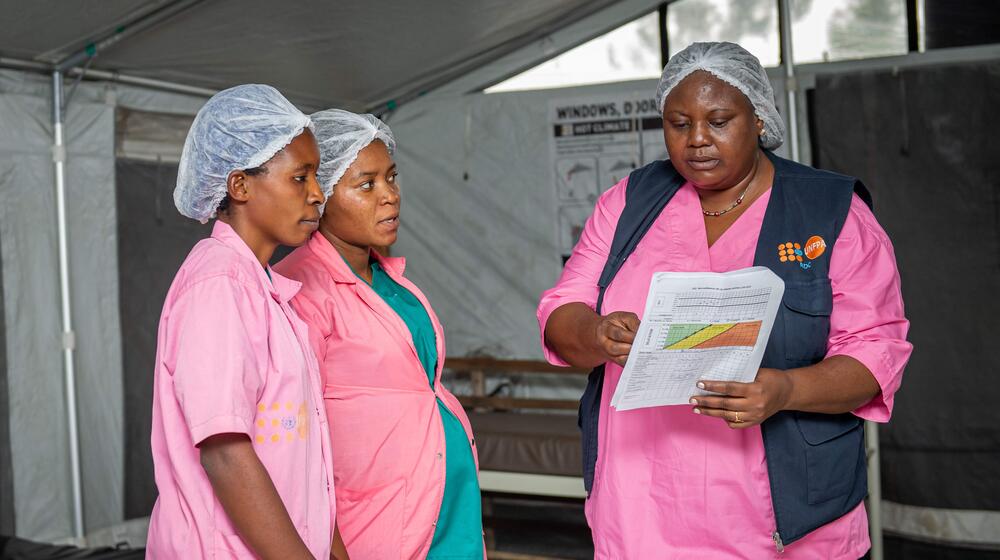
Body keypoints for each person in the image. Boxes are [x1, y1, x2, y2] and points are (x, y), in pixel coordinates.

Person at [538, 42, 912, 558]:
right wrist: (595, 333)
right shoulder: (628, 203)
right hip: (643, 505)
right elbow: (563, 309)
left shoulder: (830, 213)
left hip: (779, 518)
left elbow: (877, 351)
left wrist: (784, 389)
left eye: (719, 121)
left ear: (758, 119)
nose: (696, 141)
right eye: (678, 123)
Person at [275, 109, 484, 559]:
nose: (390, 196)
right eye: (366, 185)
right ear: (320, 196)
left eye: (392, 178)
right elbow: (294, 440)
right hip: (373, 524)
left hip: (446, 505)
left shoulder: (392, 280)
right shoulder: (300, 290)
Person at [146, 84, 338, 559]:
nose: (318, 194)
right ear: (240, 185)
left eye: (317, 177)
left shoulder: (262, 287)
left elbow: (299, 452)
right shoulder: (218, 283)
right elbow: (225, 451)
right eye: (300, 177)